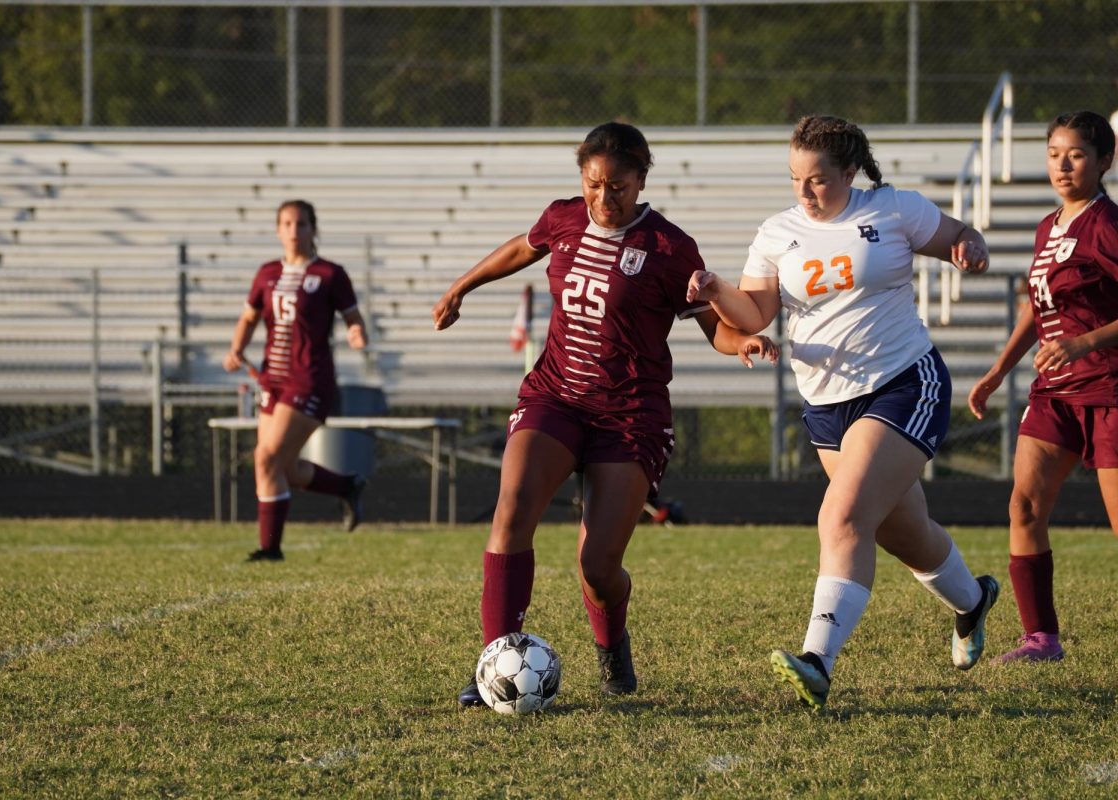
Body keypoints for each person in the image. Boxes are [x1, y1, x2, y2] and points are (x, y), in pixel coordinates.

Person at [432, 121, 778, 705]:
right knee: (511, 511)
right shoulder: (564, 217)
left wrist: (740, 342)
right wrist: (462, 286)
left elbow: (714, 329)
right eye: (593, 184)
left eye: (617, 186)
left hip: (630, 414)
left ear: (642, 180)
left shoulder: (670, 248)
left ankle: (613, 648)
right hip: (555, 395)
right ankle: (494, 664)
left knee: (597, 564)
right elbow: (524, 246)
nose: (603, 198)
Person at [688, 115, 999, 710]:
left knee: (842, 516)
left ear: (849, 172)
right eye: (795, 179)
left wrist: (970, 246)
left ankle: (818, 661)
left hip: (904, 383)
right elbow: (752, 314)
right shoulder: (778, 231)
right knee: (903, 533)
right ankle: (972, 600)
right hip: (827, 404)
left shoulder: (893, 208)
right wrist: (713, 289)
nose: (804, 192)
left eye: (818, 180)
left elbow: (959, 234)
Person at [968, 110, 1118, 663]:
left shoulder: (1106, 225)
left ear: (1105, 160)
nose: (1062, 164)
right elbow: (1039, 308)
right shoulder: (1048, 226)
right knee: (1025, 507)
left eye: (1076, 154)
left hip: (1109, 390)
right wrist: (999, 370)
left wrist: (1083, 343)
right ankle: (1040, 638)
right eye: (1055, 153)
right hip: (1055, 390)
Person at [223, 199, 369, 561]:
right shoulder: (267, 273)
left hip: (310, 379)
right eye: (286, 224)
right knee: (282, 466)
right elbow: (249, 317)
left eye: (301, 224)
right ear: (277, 230)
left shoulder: (330, 273)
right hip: (272, 378)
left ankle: (270, 549)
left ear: (313, 229)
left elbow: (354, 317)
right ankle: (347, 486)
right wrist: (235, 349)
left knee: (267, 457)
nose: (293, 230)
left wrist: (357, 334)